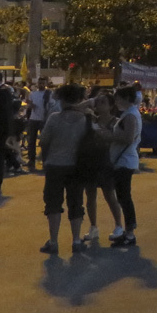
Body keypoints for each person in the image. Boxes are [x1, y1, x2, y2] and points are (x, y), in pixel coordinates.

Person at [38, 83, 91, 255]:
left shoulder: (54, 118)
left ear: (62, 99)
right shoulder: (85, 119)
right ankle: (76, 240)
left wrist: (44, 159)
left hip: (54, 165)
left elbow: (44, 141)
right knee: (75, 202)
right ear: (79, 99)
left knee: (53, 203)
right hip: (77, 166)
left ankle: (53, 241)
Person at [82, 91, 125, 244]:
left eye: (103, 102)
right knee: (90, 195)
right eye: (98, 102)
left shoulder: (116, 122)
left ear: (111, 106)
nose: (99, 105)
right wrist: (90, 101)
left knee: (109, 195)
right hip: (90, 161)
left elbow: (118, 140)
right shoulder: (92, 119)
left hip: (106, 162)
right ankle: (93, 227)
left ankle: (119, 225)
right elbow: (78, 109)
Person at [102, 85, 142, 246]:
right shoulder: (128, 114)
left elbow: (128, 138)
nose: (116, 101)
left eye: (118, 98)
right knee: (123, 196)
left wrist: (109, 136)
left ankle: (130, 233)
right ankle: (128, 230)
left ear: (125, 98)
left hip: (125, 160)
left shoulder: (131, 115)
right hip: (122, 159)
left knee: (124, 197)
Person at [25, 79, 54, 172]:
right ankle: (31, 162)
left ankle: (45, 162)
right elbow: (28, 103)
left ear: (46, 84)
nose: (41, 85)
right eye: (40, 83)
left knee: (44, 142)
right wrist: (30, 105)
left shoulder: (49, 94)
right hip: (33, 119)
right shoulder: (33, 94)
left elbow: (52, 105)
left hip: (44, 120)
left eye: (43, 83)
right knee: (31, 142)